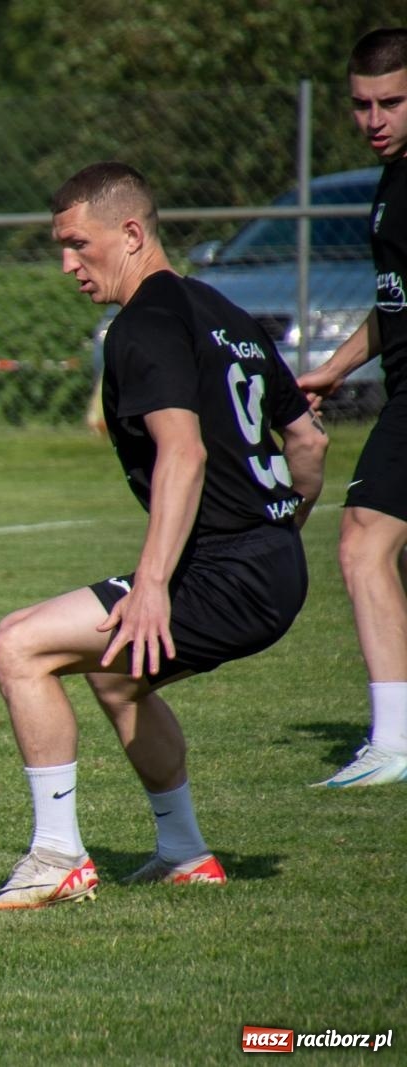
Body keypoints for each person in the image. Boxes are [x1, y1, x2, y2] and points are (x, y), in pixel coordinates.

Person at [0, 162, 327, 910]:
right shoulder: (227, 313)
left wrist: (152, 587)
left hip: (227, 571)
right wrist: (283, 529)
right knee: (115, 673)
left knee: (19, 643)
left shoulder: (144, 322)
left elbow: (186, 452)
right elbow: (309, 445)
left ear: (131, 233)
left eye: (78, 244)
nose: (67, 264)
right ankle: (183, 852)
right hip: (273, 566)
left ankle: (57, 855)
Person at [296, 27, 407, 789]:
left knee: (361, 540)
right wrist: (331, 372)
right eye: (362, 105)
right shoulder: (390, 181)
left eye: (392, 102)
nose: (374, 118)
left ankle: (393, 743)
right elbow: (392, 305)